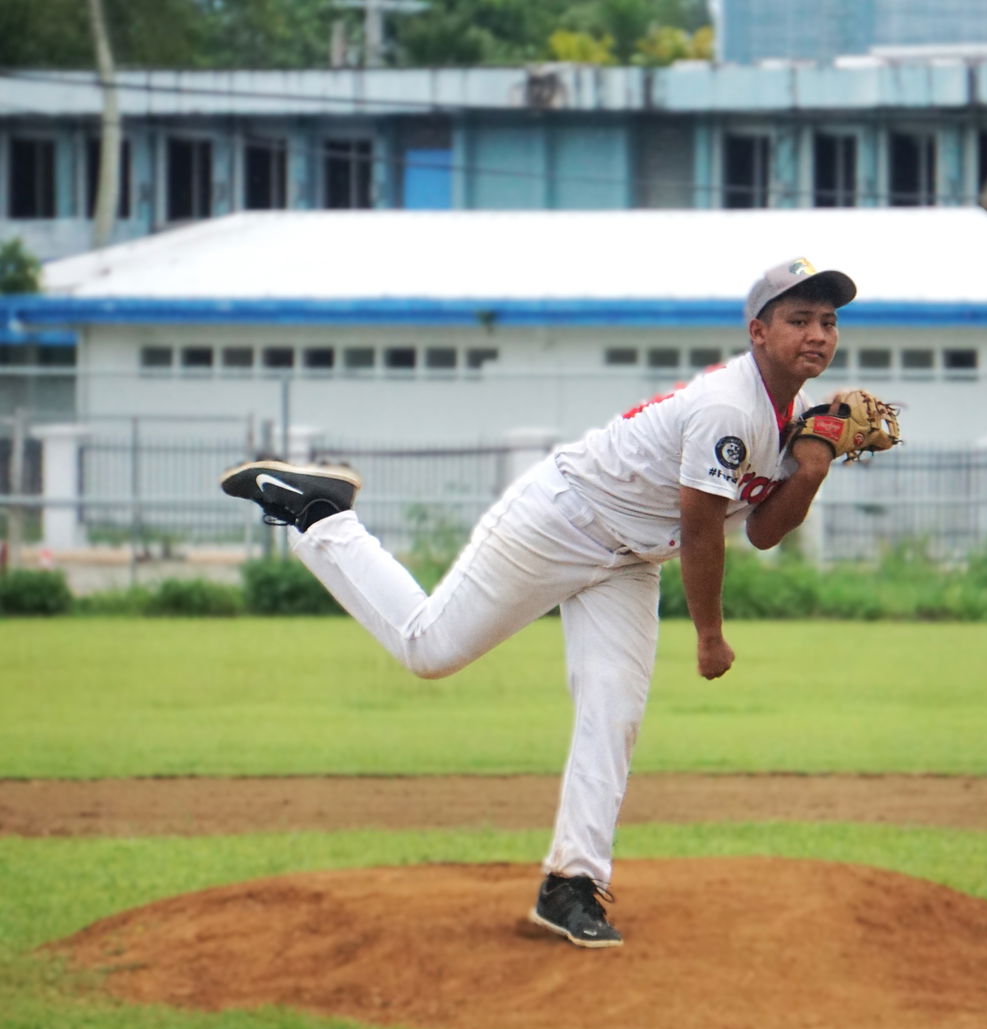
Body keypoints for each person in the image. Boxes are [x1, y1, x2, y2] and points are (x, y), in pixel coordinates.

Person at [222, 257, 863, 949]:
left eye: (827, 322)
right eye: (798, 320)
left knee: (613, 712)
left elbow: (766, 530)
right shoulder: (728, 409)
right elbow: (703, 525)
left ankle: (571, 885)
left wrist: (813, 468)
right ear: (758, 332)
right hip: (564, 519)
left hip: (628, 559)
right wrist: (709, 634)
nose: (817, 335)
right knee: (428, 650)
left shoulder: (794, 416)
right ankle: (322, 518)